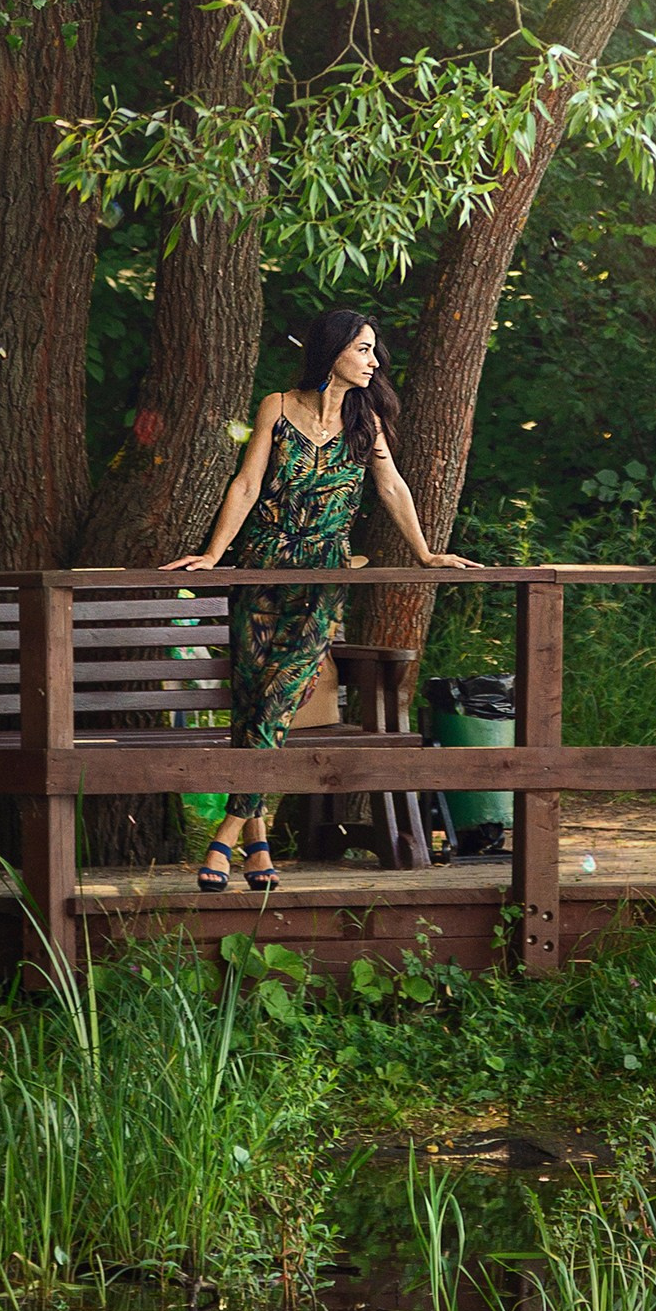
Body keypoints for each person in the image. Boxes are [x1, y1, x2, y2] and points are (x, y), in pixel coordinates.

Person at [164, 308, 477, 888]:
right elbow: (247, 484)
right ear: (332, 351)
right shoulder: (277, 407)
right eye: (363, 350)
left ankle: (223, 839)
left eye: (374, 351)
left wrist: (426, 554)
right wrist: (213, 556)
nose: (374, 361)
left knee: (282, 692)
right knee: (254, 701)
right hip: (260, 566)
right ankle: (258, 850)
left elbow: (391, 486)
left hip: (323, 575)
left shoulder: (367, 420)